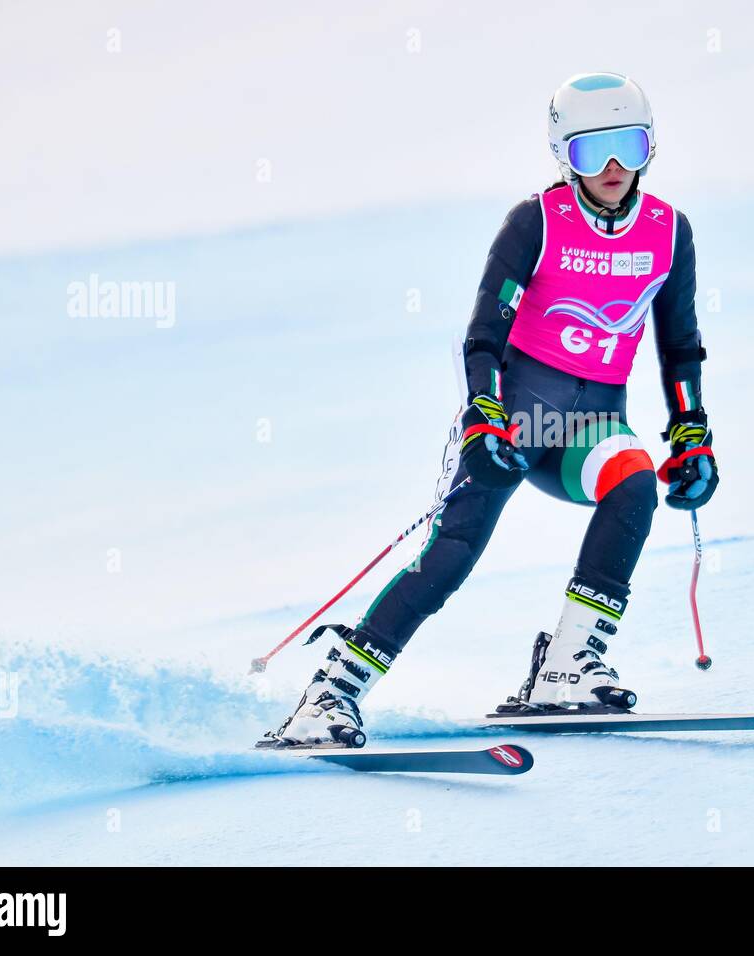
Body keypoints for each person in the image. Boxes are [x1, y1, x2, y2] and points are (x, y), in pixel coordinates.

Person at [266, 71, 718, 747]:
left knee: (634, 484)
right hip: (515, 421)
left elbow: (680, 345)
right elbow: (483, 335)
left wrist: (692, 435)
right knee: (453, 554)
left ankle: (569, 665)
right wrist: (483, 417)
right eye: (594, 153)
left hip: (590, 428)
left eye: (629, 145)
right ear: (564, 157)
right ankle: (329, 695)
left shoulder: (669, 232)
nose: (616, 168)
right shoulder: (534, 222)